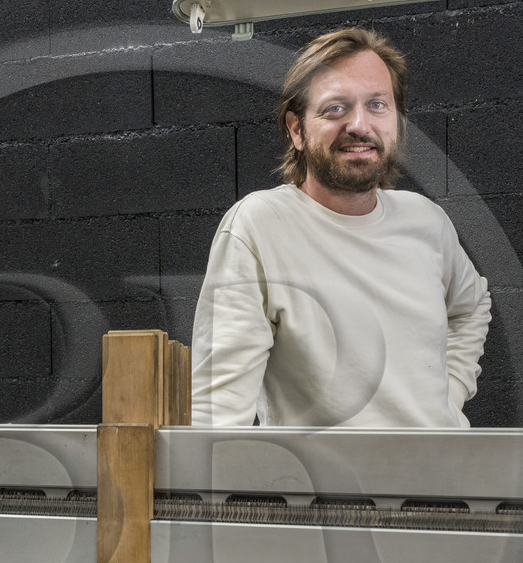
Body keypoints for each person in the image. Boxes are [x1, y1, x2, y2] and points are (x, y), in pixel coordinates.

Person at [190, 28, 491, 428]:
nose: (359, 125)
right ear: (297, 130)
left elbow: (472, 307)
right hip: (329, 489)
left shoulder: (427, 221)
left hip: (443, 481)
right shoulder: (260, 227)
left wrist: (448, 400)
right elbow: (218, 412)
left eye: (378, 105)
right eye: (335, 108)